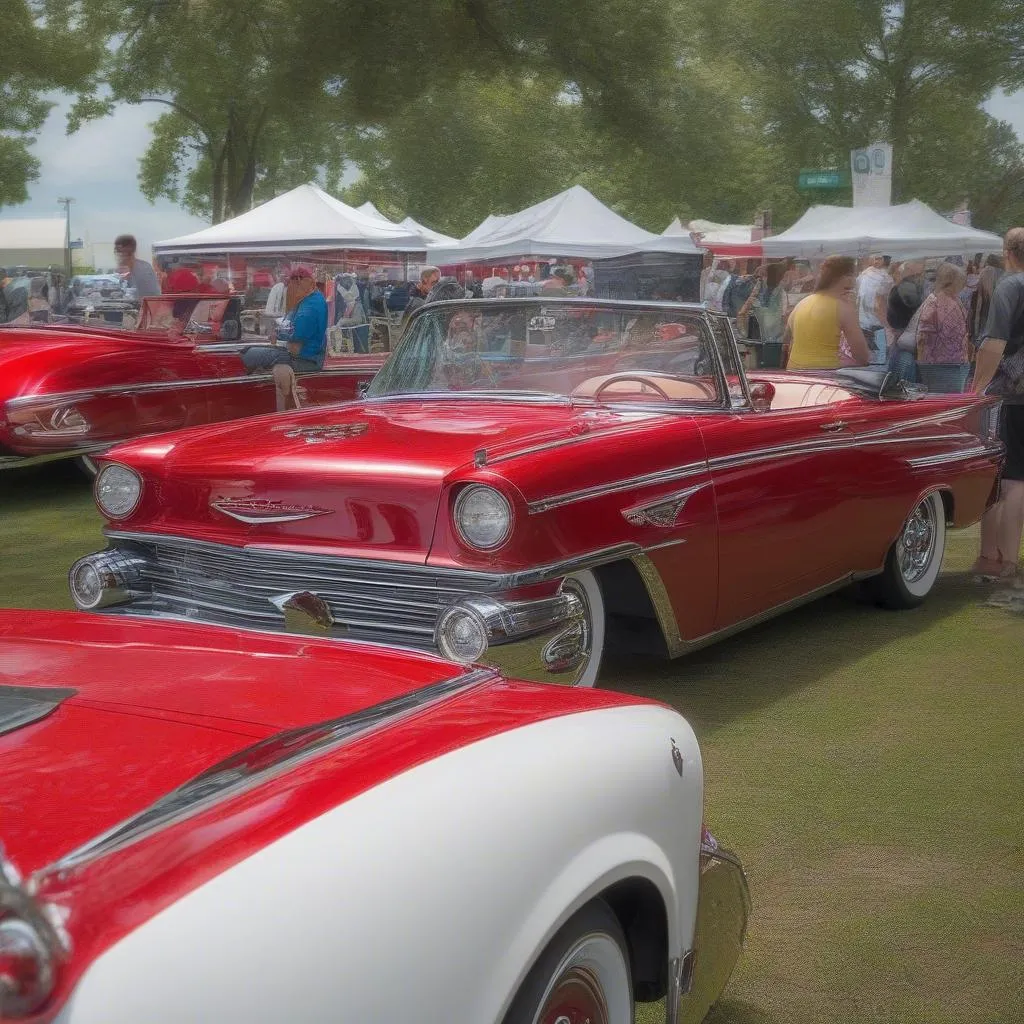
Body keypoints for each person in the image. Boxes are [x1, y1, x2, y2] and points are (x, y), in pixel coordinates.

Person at [970, 227, 1024, 583]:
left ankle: (1005, 560)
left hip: (1011, 393)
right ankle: (995, 556)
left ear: (1008, 252)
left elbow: (994, 345)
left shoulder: (1010, 286)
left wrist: (974, 391)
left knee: (1010, 479)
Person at [241, 265, 328, 411]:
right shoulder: (305, 300)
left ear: (303, 282)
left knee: (250, 355)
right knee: (251, 351)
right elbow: (289, 324)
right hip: (301, 354)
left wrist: (280, 333)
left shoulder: (311, 305)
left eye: (295, 283)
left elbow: (297, 338)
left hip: (305, 359)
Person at [783, 255, 871, 369]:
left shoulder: (802, 304)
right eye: (853, 275)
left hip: (793, 371)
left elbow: (786, 340)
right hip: (825, 374)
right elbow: (862, 356)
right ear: (847, 278)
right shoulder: (844, 308)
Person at [915, 262, 971, 392]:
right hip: (940, 365)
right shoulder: (935, 301)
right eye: (960, 281)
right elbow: (923, 336)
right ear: (951, 281)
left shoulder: (952, 299)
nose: (962, 285)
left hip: (955, 362)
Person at [856, 255, 893, 364]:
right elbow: (878, 304)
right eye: (876, 258)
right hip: (877, 325)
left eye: (878, 258)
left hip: (864, 323)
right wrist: (888, 325)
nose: (876, 261)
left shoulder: (864, 275)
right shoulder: (885, 278)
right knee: (879, 360)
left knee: (869, 359)